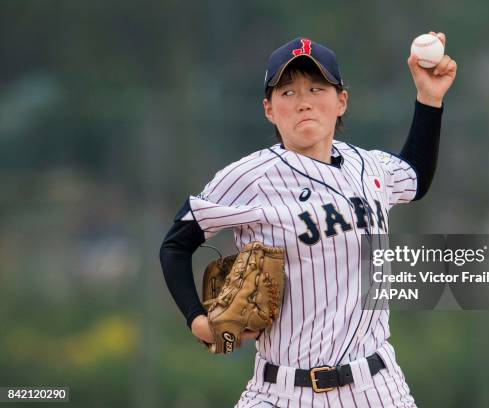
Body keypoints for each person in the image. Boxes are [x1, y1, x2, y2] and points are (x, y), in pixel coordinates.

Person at [160, 33, 456, 407]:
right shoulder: (249, 178)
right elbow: (175, 246)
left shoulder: (369, 167)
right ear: (269, 109)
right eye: (288, 93)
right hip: (280, 391)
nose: (303, 103)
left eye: (317, 89)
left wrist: (429, 98)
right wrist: (196, 318)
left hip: (377, 388)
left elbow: (414, 176)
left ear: (341, 102)